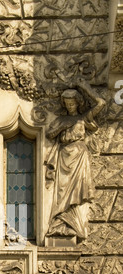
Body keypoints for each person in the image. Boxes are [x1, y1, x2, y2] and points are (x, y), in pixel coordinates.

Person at [45, 78, 105, 241]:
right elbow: (50, 134)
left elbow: (101, 103)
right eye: (67, 103)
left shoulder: (83, 118)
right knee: (62, 191)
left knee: (78, 191)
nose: (70, 106)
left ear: (78, 103)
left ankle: (75, 225)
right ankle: (60, 221)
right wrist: (62, 127)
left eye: (73, 103)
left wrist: (85, 87)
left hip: (79, 156)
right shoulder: (61, 120)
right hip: (64, 158)